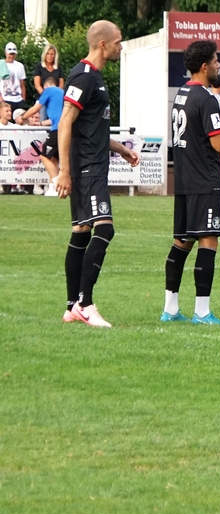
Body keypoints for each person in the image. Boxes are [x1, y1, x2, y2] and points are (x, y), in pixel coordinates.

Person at [54, 20, 141, 328]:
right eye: (118, 41)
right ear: (103, 44)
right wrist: (65, 171)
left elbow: (91, 128)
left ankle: (71, 307)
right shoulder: (84, 76)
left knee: (81, 231)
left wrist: (120, 148)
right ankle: (85, 303)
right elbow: (66, 122)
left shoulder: (95, 77)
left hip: (92, 164)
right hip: (87, 168)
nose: (121, 46)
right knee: (105, 230)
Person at [162, 39, 220, 324]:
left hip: (184, 182)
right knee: (208, 241)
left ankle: (170, 308)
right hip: (205, 181)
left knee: (181, 242)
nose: (218, 66)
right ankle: (202, 311)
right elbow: (218, 144)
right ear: (204, 66)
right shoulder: (206, 98)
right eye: (215, 62)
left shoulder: (182, 93)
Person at [15, 75, 64, 196]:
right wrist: (41, 123)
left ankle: (56, 186)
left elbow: (35, 108)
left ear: (45, 86)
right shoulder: (63, 93)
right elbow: (54, 118)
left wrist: (23, 117)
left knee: (44, 156)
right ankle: (54, 187)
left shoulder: (48, 91)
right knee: (54, 159)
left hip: (57, 130)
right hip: (66, 128)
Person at [2, 42, 27, 111]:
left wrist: (23, 100)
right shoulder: (1, 64)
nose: (11, 56)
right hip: (5, 99)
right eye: (10, 54)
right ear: (5, 53)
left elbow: (22, 84)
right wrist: (1, 100)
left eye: (13, 54)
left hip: (18, 100)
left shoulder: (20, 66)